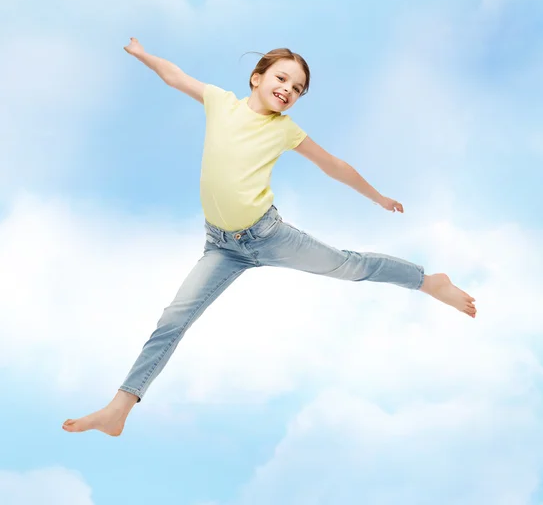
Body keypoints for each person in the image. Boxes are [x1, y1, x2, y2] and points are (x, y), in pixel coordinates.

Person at [62, 38, 477, 437]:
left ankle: (427, 281)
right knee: (173, 319)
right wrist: (142, 54)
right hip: (221, 246)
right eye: (281, 79)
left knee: (349, 265)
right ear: (256, 78)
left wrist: (378, 197)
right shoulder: (220, 103)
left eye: (297, 88)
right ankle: (119, 409)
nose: (288, 90)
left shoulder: (284, 130)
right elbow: (174, 76)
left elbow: (333, 165)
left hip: (268, 236)